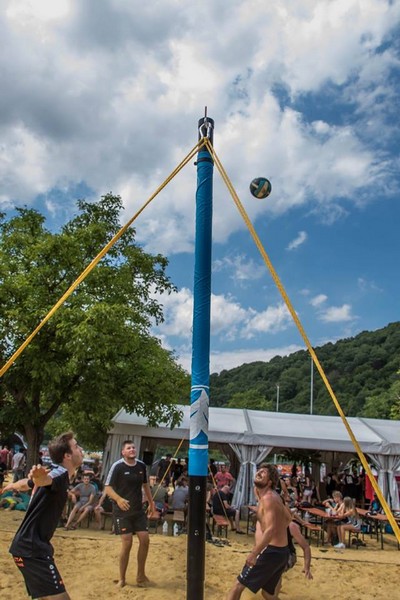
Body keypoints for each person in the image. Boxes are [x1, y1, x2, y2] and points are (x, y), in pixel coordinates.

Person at [6, 431, 83, 600]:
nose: (81, 450)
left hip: (29, 547)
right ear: (67, 456)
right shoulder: (59, 474)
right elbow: (45, 481)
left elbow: (27, 484)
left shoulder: (57, 473)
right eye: (77, 447)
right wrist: (39, 478)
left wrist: (12, 485)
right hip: (32, 549)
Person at [227, 464, 291, 599]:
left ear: (269, 482)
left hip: (270, 551)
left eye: (264, 473)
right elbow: (288, 518)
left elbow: (271, 530)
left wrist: (254, 554)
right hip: (280, 552)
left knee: (238, 586)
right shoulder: (271, 497)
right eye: (259, 471)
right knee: (267, 594)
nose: (259, 473)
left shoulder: (268, 498)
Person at [105, 440, 158, 588]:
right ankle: (122, 578)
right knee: (127, 543)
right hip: (122, 511)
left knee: (145, 539)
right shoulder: (117, 466)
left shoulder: (141, 466)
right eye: (129, 448)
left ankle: (141, 575)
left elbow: (145, 485)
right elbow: (107, 488)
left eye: (133, 447)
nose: (132, 449)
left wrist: (151, 503)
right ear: (123, 452)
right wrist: (118, 499)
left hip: (138, 510)